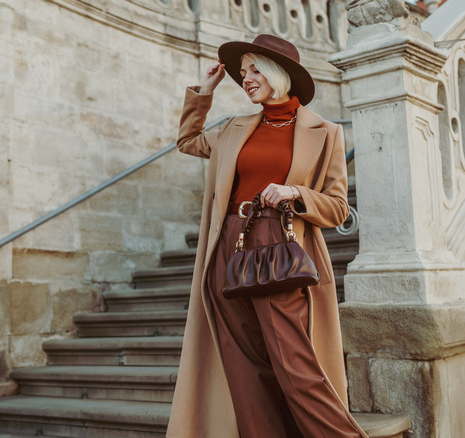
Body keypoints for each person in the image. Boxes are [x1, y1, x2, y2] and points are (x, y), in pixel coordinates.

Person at [166, 34, 368, 438]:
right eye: (243, 73)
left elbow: (338, 208)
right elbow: (187, 141)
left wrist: (295, 193)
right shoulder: (234, 129)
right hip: (228, 246)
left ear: (279, 73)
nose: (246, 79)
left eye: (255, 70)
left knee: (296, 366)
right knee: (243, 368)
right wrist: (204, 93)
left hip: (280, 245)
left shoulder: (325, 132)